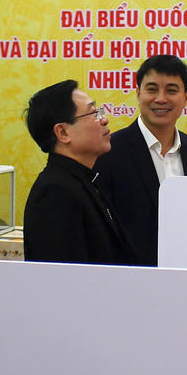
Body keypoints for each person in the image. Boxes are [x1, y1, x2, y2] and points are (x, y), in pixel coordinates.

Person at [94, 55, 187, 266]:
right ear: (138, 94)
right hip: (130, 275)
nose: (161, 99)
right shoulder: (109, 152)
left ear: (186, 97)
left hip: (186, 269)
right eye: (152, 89)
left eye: (171, 90)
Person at [23, 79, 138, 265]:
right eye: (93, 113)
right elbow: (63, 277)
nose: (105, 119)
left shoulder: (84, 180)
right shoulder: (54, 193)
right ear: (63, 133)